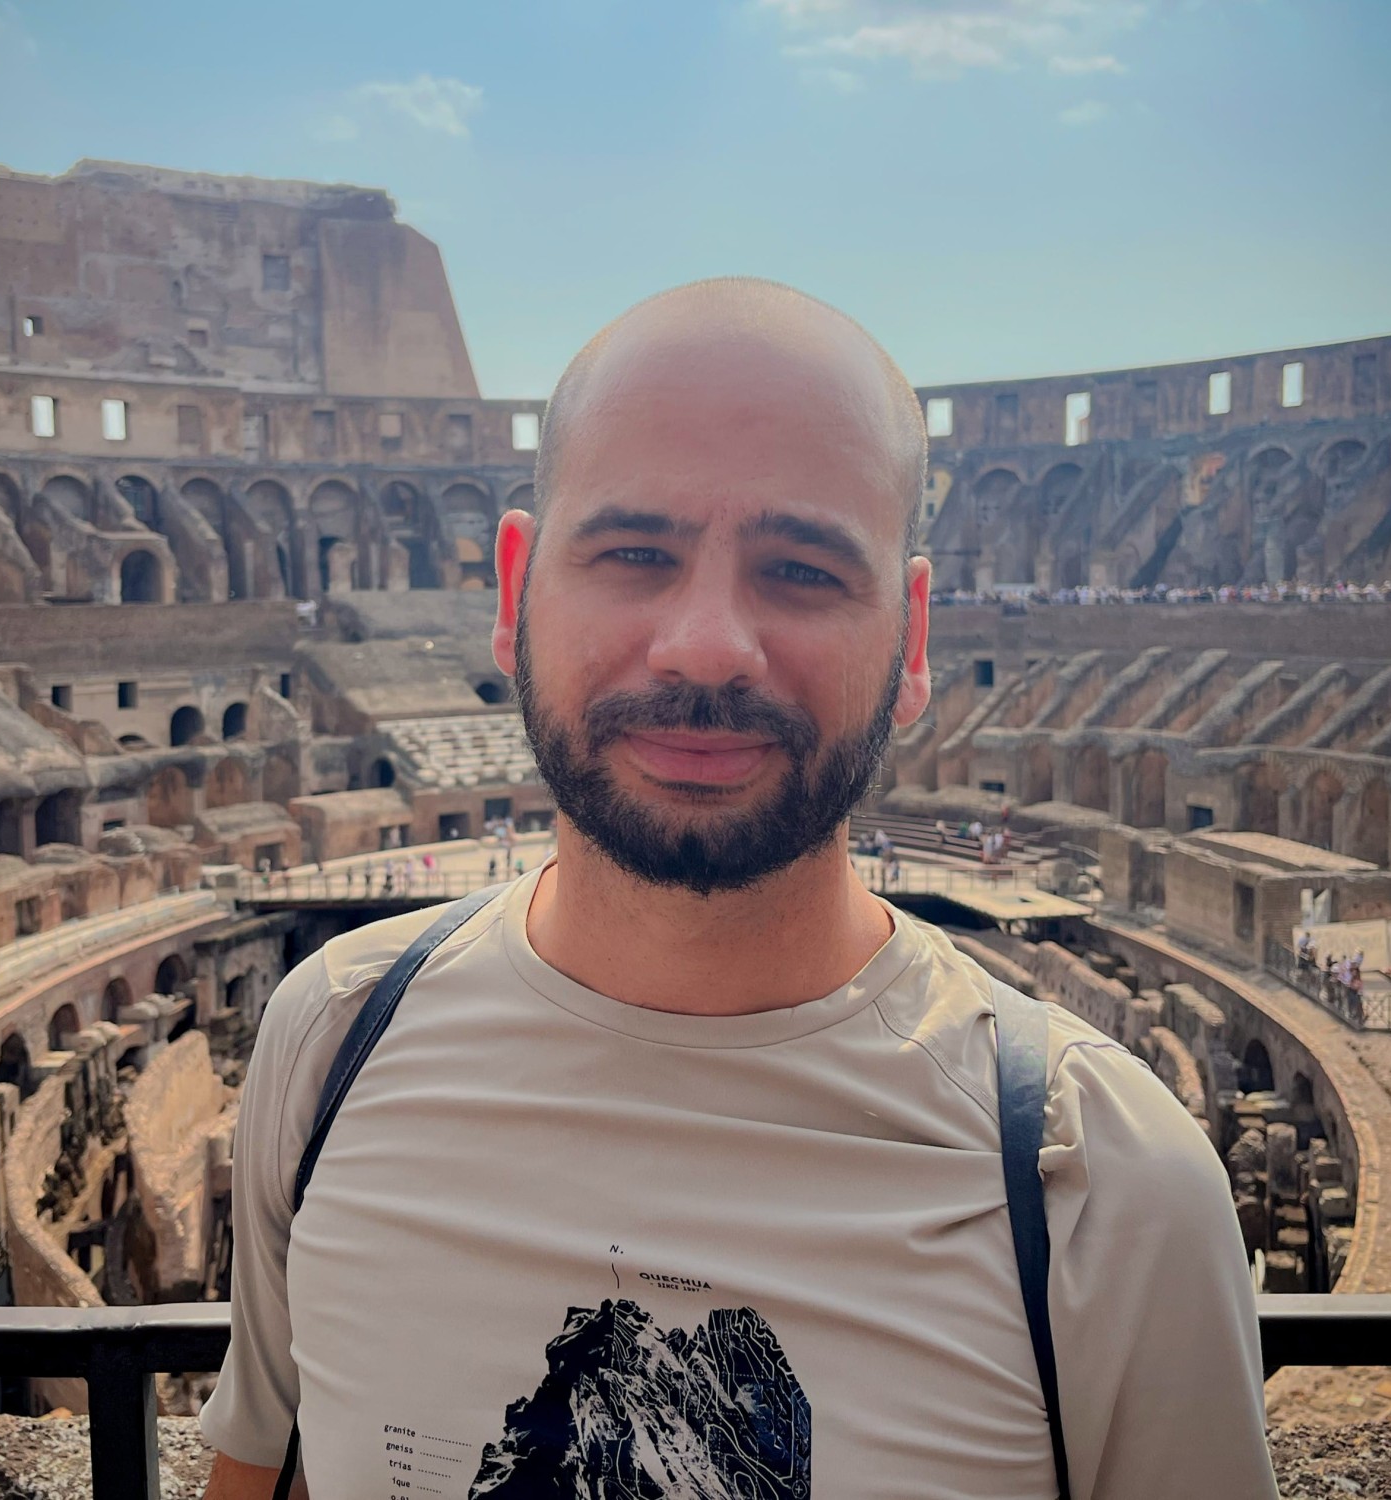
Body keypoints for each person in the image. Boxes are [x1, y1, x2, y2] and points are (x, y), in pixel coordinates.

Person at [201, 280, 1276, 1499]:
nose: (707, 644)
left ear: (914, 638)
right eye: (635, 554)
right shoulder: (329, 1046)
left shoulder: (1110, 1190)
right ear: (512, 594)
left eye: (803, 569)